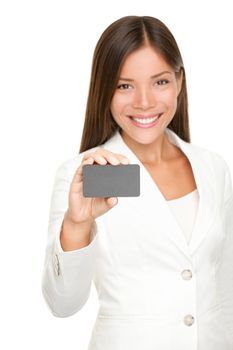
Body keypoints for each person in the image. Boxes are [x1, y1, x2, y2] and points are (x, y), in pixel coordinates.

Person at [41, 15, 233, 350]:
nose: (144, 102)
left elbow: (225, 289)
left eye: (160, 82)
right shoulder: (82, 174)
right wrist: (77, 223)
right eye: (124, 85)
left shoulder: (212, 167)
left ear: (179, 82)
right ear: (105, 90)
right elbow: (63, 305)